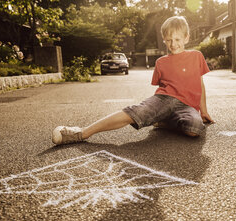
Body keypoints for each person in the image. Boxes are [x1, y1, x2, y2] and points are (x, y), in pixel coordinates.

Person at [52, 16, 214, 145]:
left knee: (195, 129)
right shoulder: (160, 62)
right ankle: (82, 133)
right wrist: (153, 109)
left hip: (187, 106)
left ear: (186, 38)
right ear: (164, 39)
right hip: (164, 100)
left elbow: (200, 83)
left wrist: (204, 111)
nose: (173, 44)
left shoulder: (196, 56)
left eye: (178, 40)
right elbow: (161, 90)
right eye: (169, 40)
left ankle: (163, 121)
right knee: (135, 111)